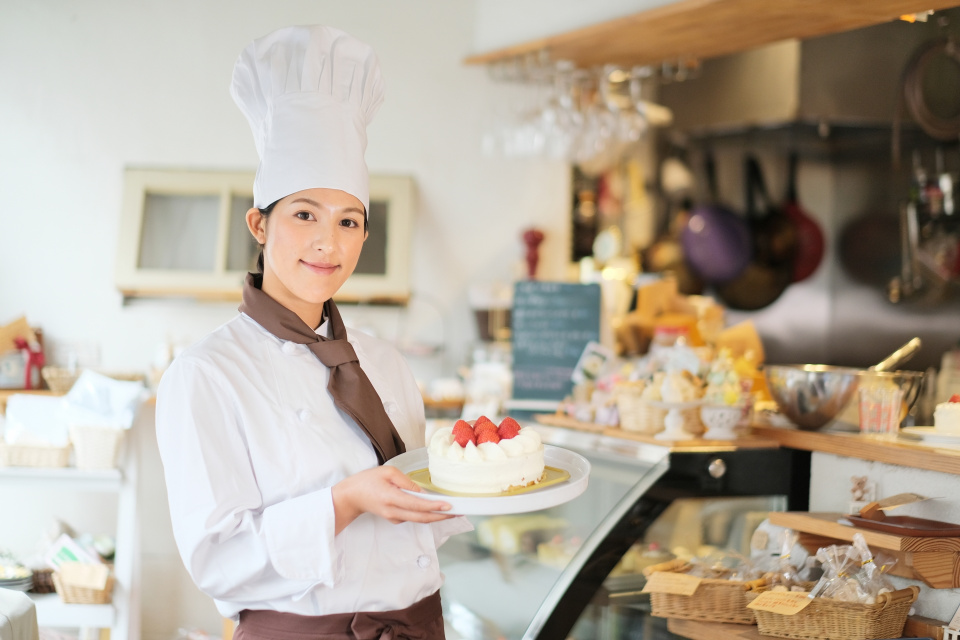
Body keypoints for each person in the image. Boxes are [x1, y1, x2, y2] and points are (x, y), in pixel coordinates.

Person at [155, 25, 471, 640]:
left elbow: (414, 515)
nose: (330, 242)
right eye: (305, 215)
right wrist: (345, 500)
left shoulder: (383, 361)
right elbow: (218, 561)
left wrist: (482, 478)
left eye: (349, 221)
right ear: (260, 225)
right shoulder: (206, 374)